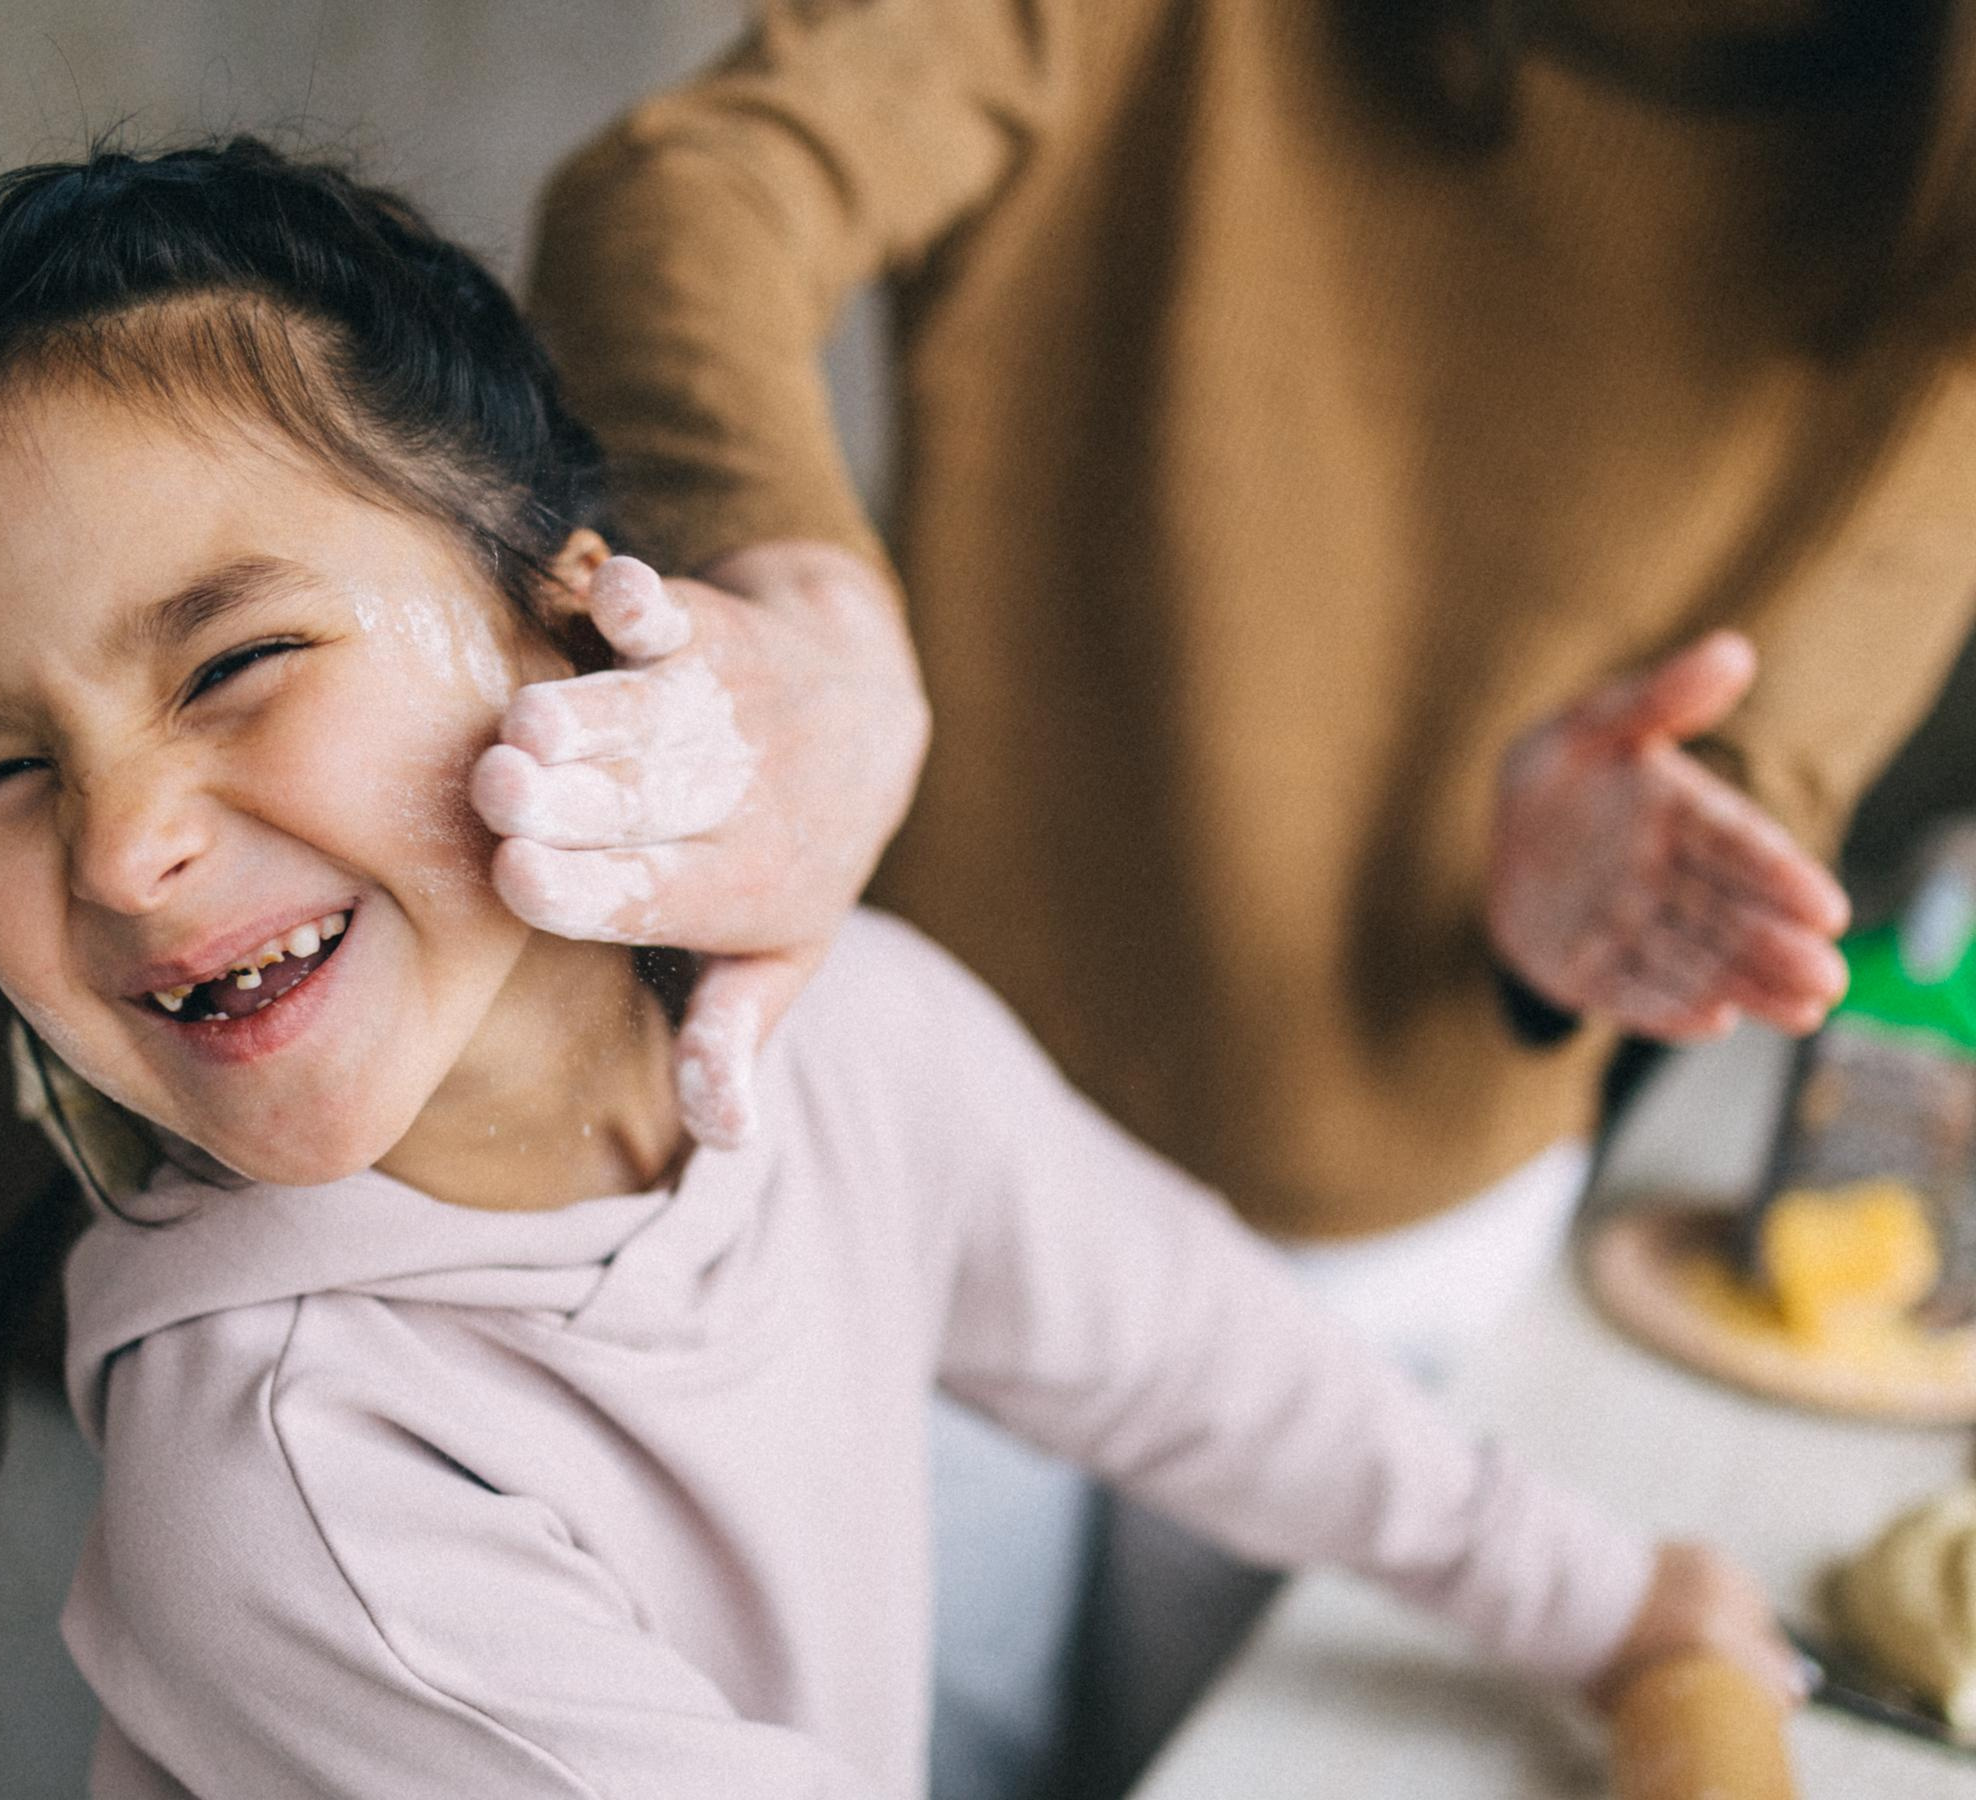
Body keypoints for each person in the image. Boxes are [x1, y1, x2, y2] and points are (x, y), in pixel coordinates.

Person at [0, 141, 1794, 1798]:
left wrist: (1619, 1609)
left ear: (571, 618)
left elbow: (1210, 1363)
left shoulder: (855, 1045)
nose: (124, 848)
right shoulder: (294, 1479)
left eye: (235, 663)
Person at [513, 1, 1976, 1785]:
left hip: (1392, 1232)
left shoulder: (1941, 178)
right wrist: (805, 599)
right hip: (925, 1132)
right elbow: (681, 198)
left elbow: (1782, 735)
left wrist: (1650, 864)